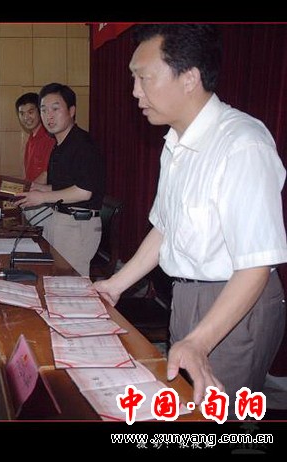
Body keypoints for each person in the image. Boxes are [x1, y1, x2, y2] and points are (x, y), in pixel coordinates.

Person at [93, 25, 287, 413]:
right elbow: (165, 228)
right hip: (185, 295)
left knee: (215, 418)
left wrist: (199, 341)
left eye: (144, 78)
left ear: (189, 78)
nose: (135, 92)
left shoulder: (242, 144)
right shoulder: (175, 144)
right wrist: (115, 286)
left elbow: (256, 266)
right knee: (186, 408)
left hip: (234, 303)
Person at [15, 83, 106, 277]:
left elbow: (83, 191)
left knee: (72, 284)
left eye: (55, 109)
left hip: (78, 224)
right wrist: (36, 188)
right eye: (44, 110)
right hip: (62, 219)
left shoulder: (82, 144)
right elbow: (60, 186)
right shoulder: (60, 145)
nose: (49, 116)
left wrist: (41, 197)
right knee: (58, 280)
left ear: (71, 111)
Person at [16, 92, 56, 183]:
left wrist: (27, 190)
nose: (26, 118)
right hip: (33, 190)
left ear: (40, 111)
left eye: (30, 112)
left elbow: (46, 174)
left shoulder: (50, 138)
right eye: (22, 113)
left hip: (43, 191)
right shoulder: (31, 139)